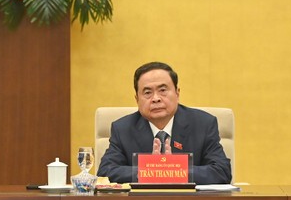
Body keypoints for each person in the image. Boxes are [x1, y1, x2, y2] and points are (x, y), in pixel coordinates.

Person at [97, 62, 232, 185]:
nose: (156, 99)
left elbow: (222, 171)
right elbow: (105, 172)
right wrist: (152, 170)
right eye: (147, 92)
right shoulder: (123, 129)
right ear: (137, 99)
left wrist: (173, 170)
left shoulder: (203, 124)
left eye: (162, 90)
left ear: (177, 93)